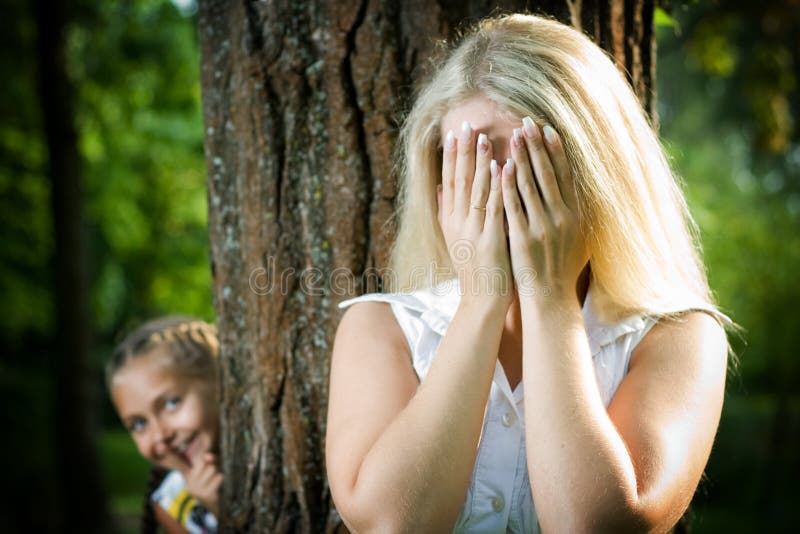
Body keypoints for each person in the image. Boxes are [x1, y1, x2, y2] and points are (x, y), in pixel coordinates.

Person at [325, 13, 733, 533]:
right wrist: (481, 300)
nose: (499, 198)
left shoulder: (678, 336)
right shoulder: (381, 329)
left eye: (533, 171)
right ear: (438, 187)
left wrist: (549, 297)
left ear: (597, 178)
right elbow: (392, 524)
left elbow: (593, 525)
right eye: (471, 168)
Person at [108, 316, 222, 534]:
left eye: (171, 403)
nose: (160, 435)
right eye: (139, 423)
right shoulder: (172, 504)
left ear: (220, 380)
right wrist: (221, 511)